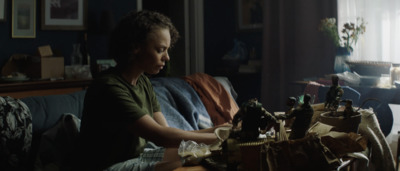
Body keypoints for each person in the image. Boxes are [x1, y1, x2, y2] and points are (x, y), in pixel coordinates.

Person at [73, 10, 226, 171]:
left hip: (138, 156)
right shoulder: (109, 87)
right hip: (106, 166)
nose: (167, 58)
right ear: (135, 48)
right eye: (160, 50)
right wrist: (222, 138)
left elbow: (167, 131)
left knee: (206, 154)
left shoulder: (143, 81)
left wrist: (224, 130)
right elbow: (161, 137)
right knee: (193, 163)